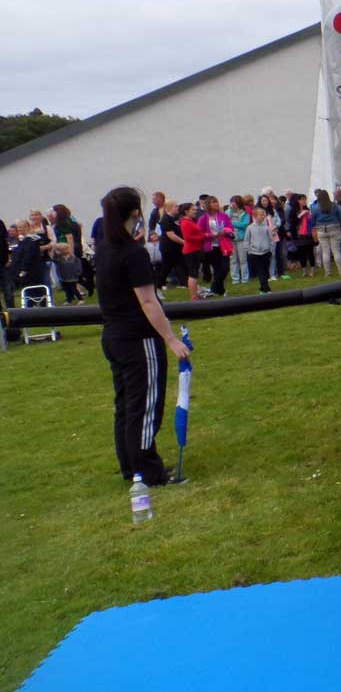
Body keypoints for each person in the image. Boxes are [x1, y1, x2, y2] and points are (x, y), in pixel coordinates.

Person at [95, 187, 190, 486]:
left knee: (126, 405)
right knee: (145, 405)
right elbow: (148, 301)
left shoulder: (104, 247)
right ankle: (149, 471)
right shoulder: (131, 253)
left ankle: (131, 466)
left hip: (114, 336)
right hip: (138, 339)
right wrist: (170, 338)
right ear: (135, 212)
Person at [199, 196, 233, 296]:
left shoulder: (223, 216)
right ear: (208, 204)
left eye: (217, 202)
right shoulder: (203, 218)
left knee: (225, 267)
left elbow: (230, 227)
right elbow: (200, 233)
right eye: (213, 202)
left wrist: (225, 231)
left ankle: (213, 288)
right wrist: (210, 235)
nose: (216, 204)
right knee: (218, 269)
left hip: (223, 245)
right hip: (211, 246)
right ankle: (220, 290)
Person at [311, 189, 341, 275]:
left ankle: (328, 272)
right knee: (336, 251)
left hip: (321, 230)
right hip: (334, 228)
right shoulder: (334, 206)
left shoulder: (315, 208)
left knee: (325, 252)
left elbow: (313, 221)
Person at [244, 207, 275, 294]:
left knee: (265, 271)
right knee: (261, 271)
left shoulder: (267, 228)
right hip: (255, 253)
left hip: (266, 252)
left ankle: (263, 288)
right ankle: (265, 289)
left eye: (263, 215)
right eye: (261, 215)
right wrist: (249, 250)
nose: (263, 216)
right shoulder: (249, 228)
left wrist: (271, 250)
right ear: (255, 216)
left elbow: (271, 240)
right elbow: (246, 240)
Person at [178, 202, 204, 301]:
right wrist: (203, 236)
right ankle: (193, 296)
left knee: (195, 273)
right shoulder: (185, 222)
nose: (195, 211)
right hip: (191, 250)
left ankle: (196, 294)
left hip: (196, 249)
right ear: (186, 211)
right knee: (193, 274)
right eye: (192, 210)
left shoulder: (191, 221)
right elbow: (188, 237)